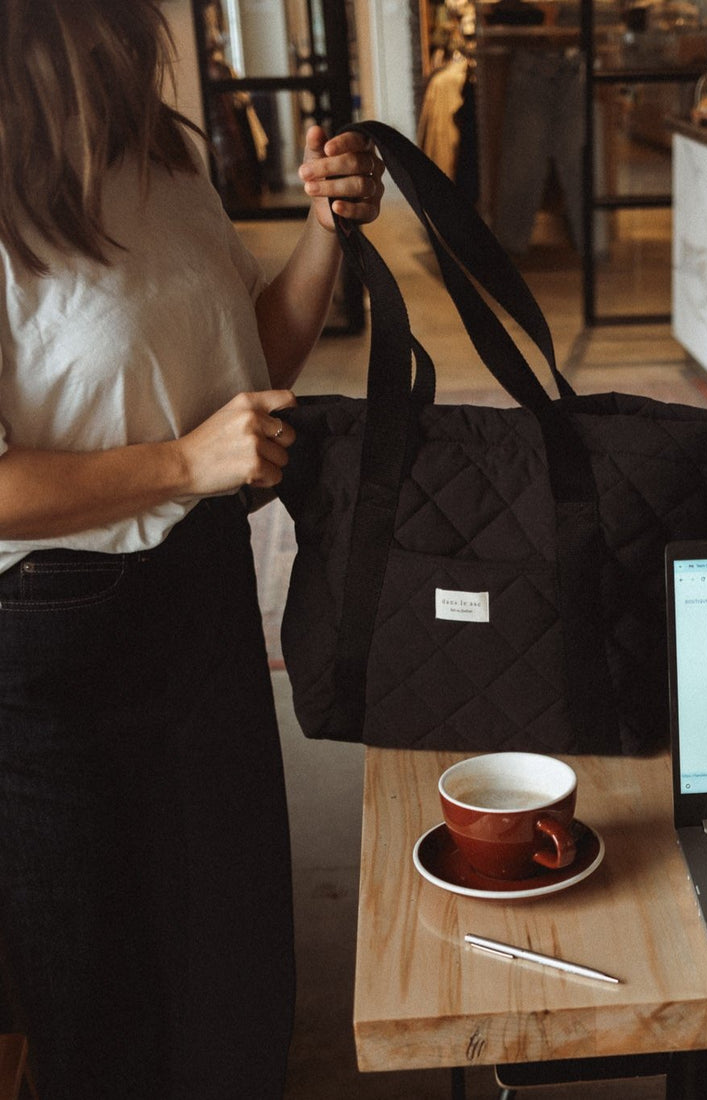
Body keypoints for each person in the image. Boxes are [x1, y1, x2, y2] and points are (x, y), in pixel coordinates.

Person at [0, 3, 383, 1096]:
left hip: (203, 588)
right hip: (55, 633)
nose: (136, 52)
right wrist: (182, 464)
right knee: (95, 996)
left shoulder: (166, 158)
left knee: (236, 963)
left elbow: (249, 357)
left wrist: (325, 230)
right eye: (109, 34)